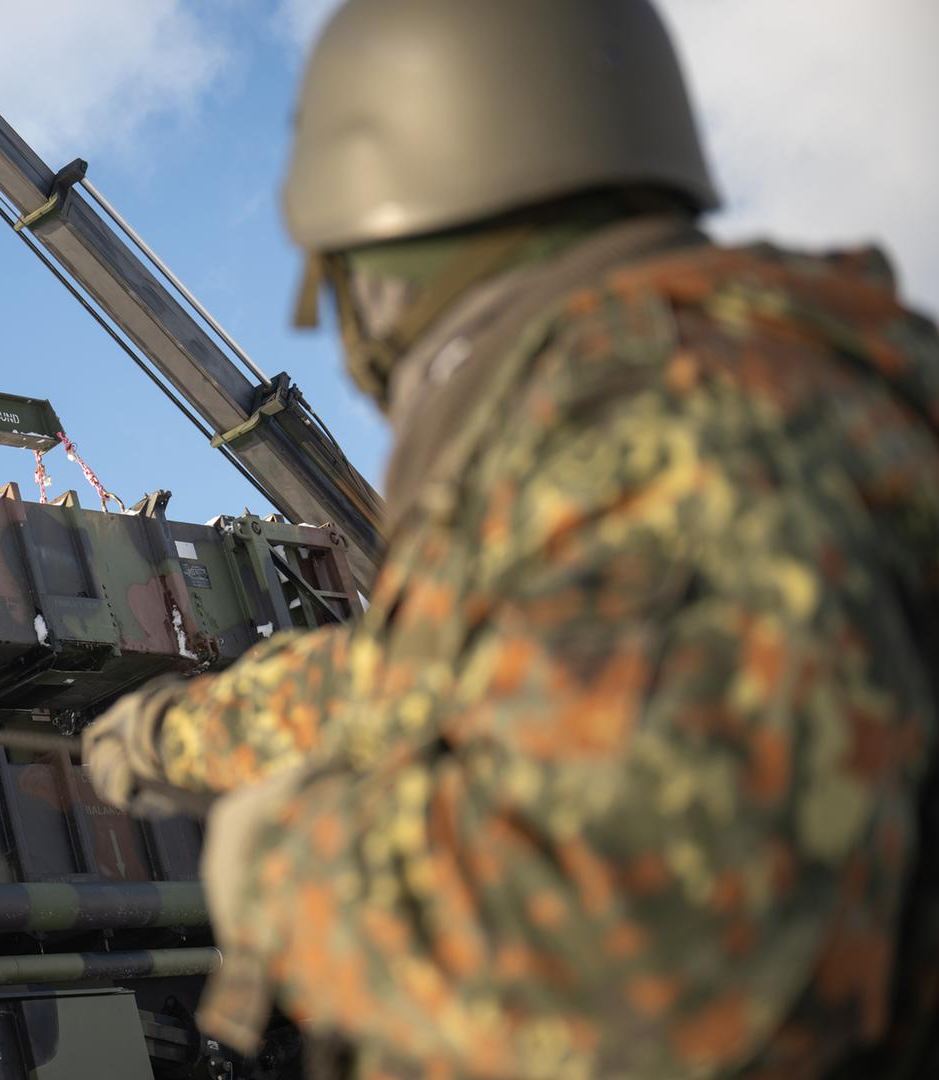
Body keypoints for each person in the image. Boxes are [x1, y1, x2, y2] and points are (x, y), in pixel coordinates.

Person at [83, 0, 939, 1075]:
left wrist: (287, 868)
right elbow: (439, 672)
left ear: (382, 270)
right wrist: (173, 737)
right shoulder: (787, 382)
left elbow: (637, 962)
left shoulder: (645, 431)